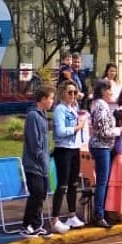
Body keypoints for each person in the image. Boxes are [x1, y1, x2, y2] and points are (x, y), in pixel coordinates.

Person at [20, 85, 56, 239]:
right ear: (43, 99)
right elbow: (35, 143)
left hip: (42, 163)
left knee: (41, 194)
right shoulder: (33, 116)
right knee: (36, 193)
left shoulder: (42, 114)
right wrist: (42, 159)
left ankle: (35, 225)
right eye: (51, 98)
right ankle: (26, 225)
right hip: (33, 164)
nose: (52, 101)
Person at [51, 80, 87, 233]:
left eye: (75, 92)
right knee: (62, 184)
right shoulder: (60, 109)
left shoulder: (74, 108)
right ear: (62, 94)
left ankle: (72, 214)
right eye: (70, 92)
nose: (73, 95)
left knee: (73, 183)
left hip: (74, 148)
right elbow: (60, 131)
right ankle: (55, 218)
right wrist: (77, 127)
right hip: (63, 149)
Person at [88, 78, 122, 228]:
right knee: (102, 181)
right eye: (108, 89)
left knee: (104, 180)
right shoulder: (101, 106)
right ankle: (99, 214)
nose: (111, 92)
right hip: (101, 146)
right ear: (102, 91)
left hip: (103, 146)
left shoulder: (101, 105)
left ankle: (103, 211)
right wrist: (119, 130)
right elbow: (104, 131)